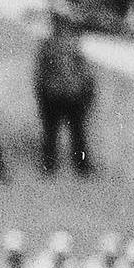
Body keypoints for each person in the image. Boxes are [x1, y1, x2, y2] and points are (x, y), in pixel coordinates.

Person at [33, 21, 96, 177]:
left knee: (65, 132)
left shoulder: (51, 47)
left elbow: (40, 75)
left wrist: (42, 95)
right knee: (66, 132)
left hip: (62, 96)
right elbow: (86, 75)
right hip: (64, 96)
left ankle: (53, 164)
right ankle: (77, 166)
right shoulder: (68, 48)